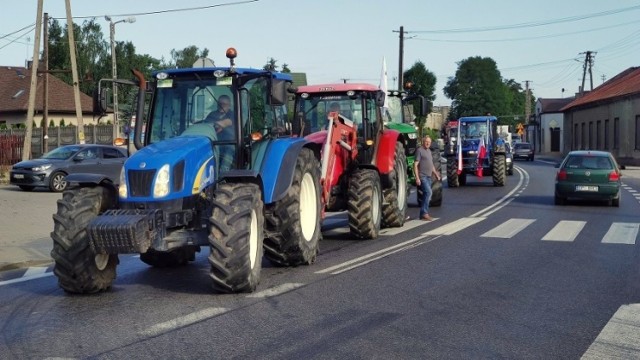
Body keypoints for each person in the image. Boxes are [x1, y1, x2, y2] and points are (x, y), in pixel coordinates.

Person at [414, 135, 441, 221]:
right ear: (423, 142)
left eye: (429, 142)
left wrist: (436, 174)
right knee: (428, 193)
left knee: (427, 194)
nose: (428, 143)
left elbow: (431, 165)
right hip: (423, 177)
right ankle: (425, 213)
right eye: (426, 142)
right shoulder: (420, 150)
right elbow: (415, 165)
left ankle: (422, 214)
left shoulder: (429, 151)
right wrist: (417, 178)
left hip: (429, 177)